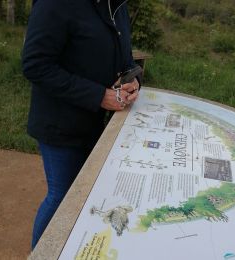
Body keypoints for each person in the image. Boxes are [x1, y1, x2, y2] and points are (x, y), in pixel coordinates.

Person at [22, 0, 141, 249]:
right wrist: (99, 96)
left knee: (88, 196)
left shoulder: (116, 5)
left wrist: (132, 77)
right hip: (59, 124)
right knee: (62, 197)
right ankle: (41, 254)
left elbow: (124, 55)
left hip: (96, 123)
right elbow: (35, 65)